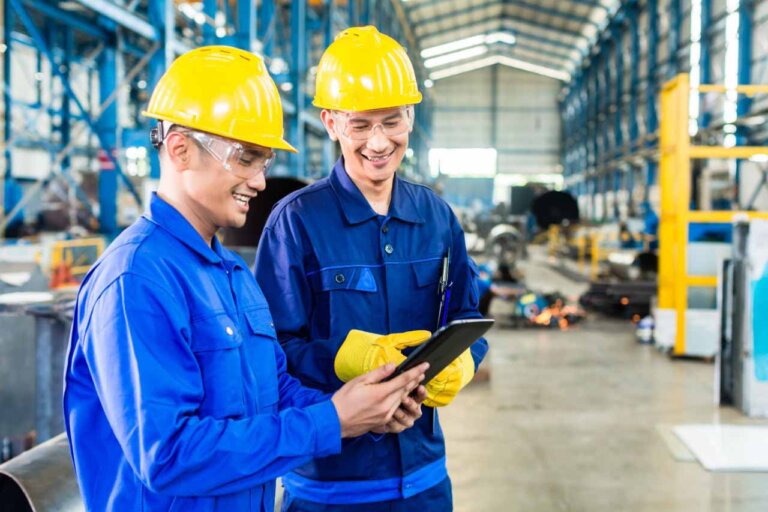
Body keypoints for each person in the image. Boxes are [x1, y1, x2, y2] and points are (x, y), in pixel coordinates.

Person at [62, 45, 428, 512]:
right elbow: (167, 454)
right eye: (246, 158)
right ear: (180, 149)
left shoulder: (232, 274)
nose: (259, 182)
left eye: (264, 162)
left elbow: (276, 390)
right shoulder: (137, 279)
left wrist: (361, 408)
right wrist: (330, 421)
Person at [254, 27, 489, 511]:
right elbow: (270, 353)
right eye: (360, 125)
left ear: (410, 117)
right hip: (329, 487)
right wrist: (344, 360)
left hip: (424, 480)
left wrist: (463, 362)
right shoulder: (296, 223)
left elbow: (468, 320)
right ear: (331, 122)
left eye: (392, 121)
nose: (379, 142)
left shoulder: (437, 217)